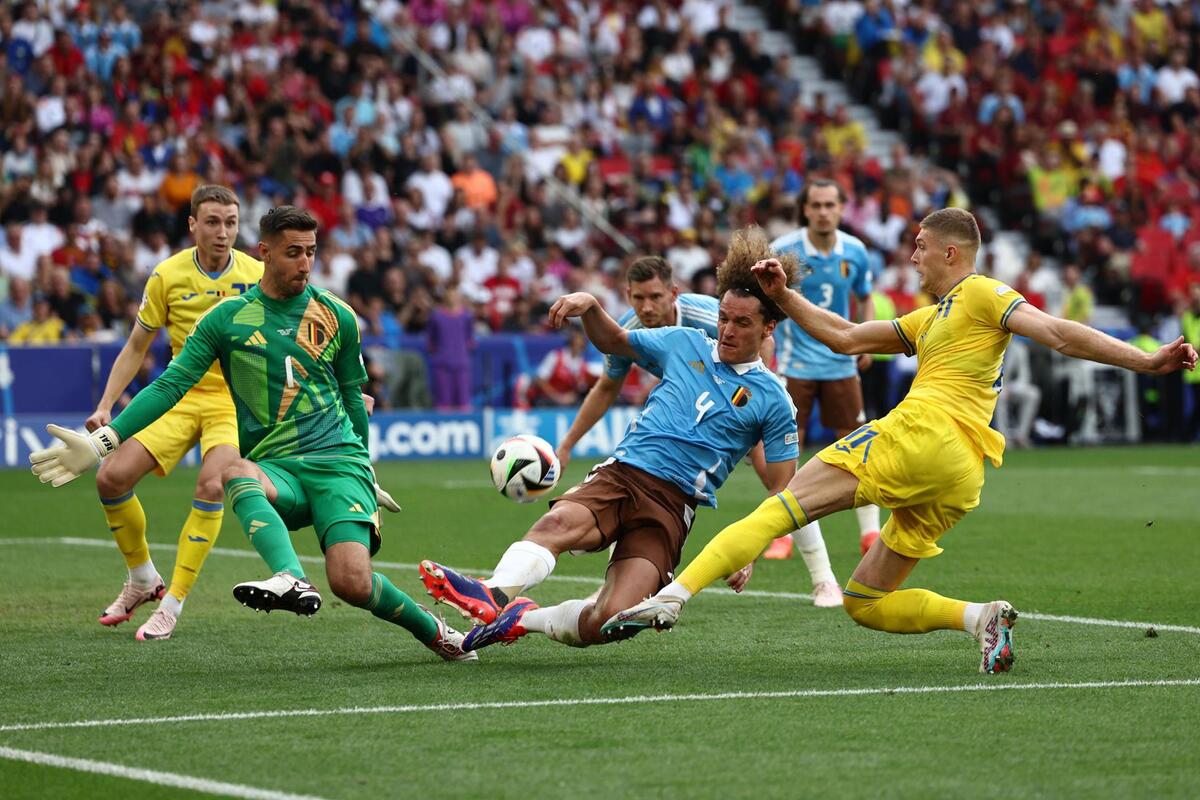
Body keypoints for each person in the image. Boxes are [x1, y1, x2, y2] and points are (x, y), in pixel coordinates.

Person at [605, 209, 1196, 673]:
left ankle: (673, 596)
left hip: (923, 433)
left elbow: (1057, 333)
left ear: (950, 251)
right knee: (865, 600)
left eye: (919, 244)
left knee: (781, 506)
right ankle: (980, 618)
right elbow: (844, 336)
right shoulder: (932, 317)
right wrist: (782, 296)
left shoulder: (983, 293)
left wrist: (1146, 360)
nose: (910, 255)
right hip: (961, 472)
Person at [31, 207, 475, 663]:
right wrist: (104, 441)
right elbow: (169, 385)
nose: (305, 263)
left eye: (311, 252)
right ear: (264, 252)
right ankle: (290, 576)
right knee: (235, 472)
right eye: (293, 253)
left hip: (338, 465)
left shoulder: (337, 315)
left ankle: (435, 631)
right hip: (278, 469)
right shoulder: (225, 320)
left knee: (351, 583)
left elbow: (353, 398)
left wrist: (366, 470)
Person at [417, 228, 802, 652]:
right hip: (626, 475)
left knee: (613, 620)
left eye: (742, 323)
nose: (727, 330)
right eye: (724, 318)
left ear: (769, 326)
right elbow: (616, 342)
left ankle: (521, 619)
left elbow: (781, 487)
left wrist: (749, 548)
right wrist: (592, 308)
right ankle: (493, 592)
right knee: (560, 523)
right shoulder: (684, 341)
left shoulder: (774, 400)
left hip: (672, 508)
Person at [77, 185, 262, 641]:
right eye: (214, 222)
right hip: (178, 397)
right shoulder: (167, 275)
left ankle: (172, 604)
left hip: (231, 403)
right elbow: (137, 345)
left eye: (231, 223)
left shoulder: (259, 275)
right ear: (193, 225)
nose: (223, 233)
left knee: (212, 483)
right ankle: (143, 579)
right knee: (109, 478)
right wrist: (105, 406)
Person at [760, 179, 882, 604]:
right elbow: (767, 302)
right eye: (817, 205)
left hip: (840, 363)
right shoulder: (784, 249)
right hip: (795, 366)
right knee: (783, 453)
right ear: (805, 209)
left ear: (842, 208)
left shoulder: (856, 250)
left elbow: (864, 298)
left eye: (831, 204)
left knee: (859, 447)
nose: (824, 211)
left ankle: (870, 532)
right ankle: (784, 534)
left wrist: (862, 337)